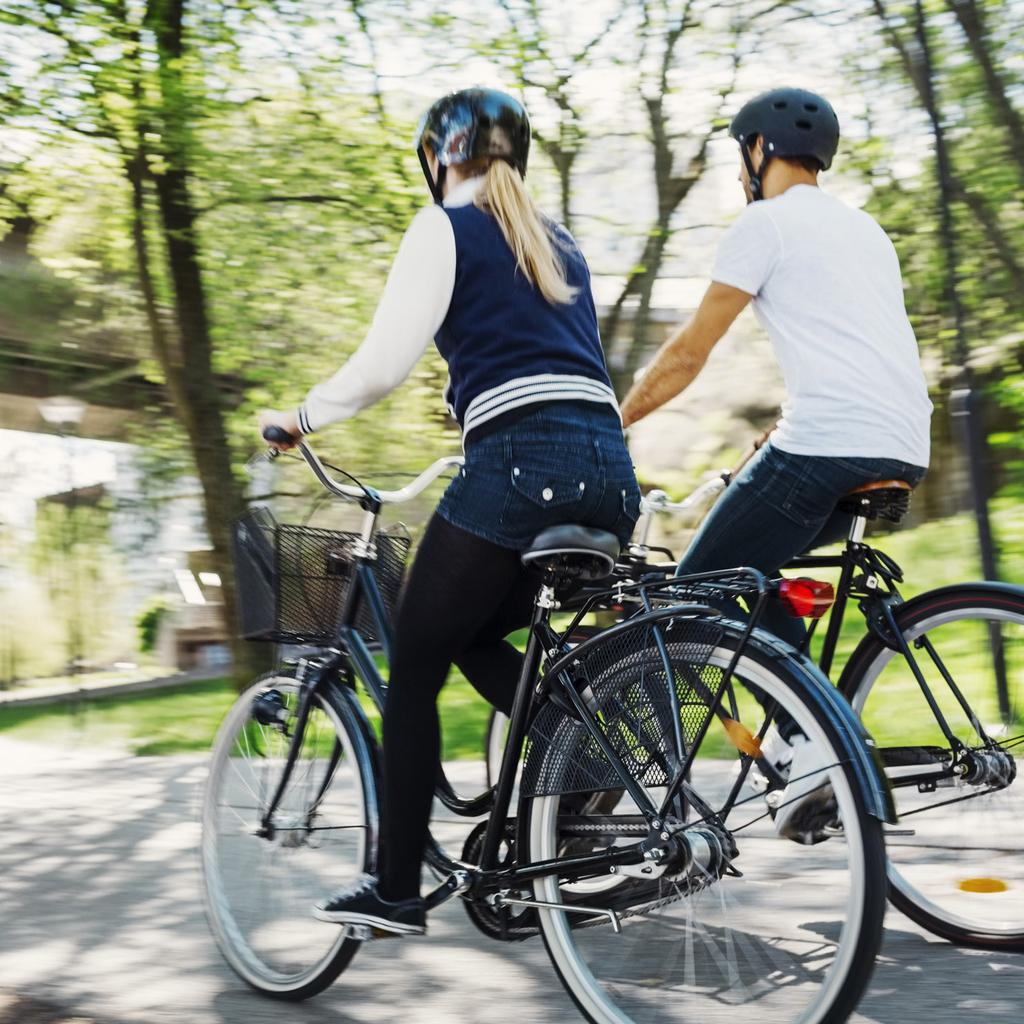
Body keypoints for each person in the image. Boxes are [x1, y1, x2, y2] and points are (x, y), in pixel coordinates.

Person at [260, 87, 641, 933]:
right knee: (469, 631)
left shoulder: (445, 225)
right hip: (612, 476)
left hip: (519, 470)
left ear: (439, 157)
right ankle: (590, 746)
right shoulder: (557, 239)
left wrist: (301, 417)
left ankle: (395, 889)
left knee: (416, 674)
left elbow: (381, 364)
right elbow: (543, 355)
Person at [619, 86, 931, 841]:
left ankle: (803, 744)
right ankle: (814, 741)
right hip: (902, 440)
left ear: (758, 151)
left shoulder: (762, 224)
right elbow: (854, 351)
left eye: (739, 156)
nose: (738, 172)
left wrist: (613, 420)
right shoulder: (867, 232)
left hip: (828, 440)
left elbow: (690, 351)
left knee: (693, 591)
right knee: (756, 582)